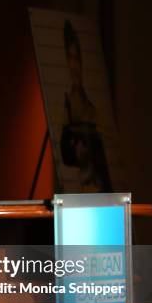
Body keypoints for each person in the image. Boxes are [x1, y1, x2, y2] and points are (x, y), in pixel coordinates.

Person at [60, 20, 113, 193]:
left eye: (77, 59)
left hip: (98, 187)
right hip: (78, 189)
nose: (74, 66)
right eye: (70, 59)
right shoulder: (66, 106)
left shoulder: (91, 105)